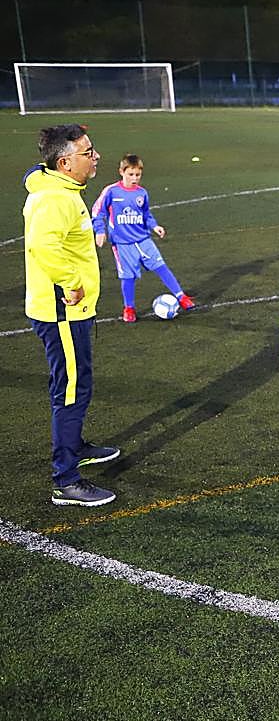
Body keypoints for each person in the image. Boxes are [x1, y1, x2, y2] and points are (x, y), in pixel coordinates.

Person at [24, 124, 120, 506]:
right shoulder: (54, 200)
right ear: (64, 163)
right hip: (61, 310)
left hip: (68, 309)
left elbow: (33, 173)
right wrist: (70, 282)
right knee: (71, 389)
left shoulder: (58, 187)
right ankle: (66, 478)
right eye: (88, 152)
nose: (95, 157)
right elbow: (42, 246)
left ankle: (76, 446)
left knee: (73, 382)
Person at [90, 154, 196, 323]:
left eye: (137, 175)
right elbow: (97, 212)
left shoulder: (141, 193)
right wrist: (100, 230)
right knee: (127, 277)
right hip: (123, 244)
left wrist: (154, 226)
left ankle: (181, 296)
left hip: (143, 239)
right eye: (130, 174)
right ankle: (129, 308)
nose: (134, 178)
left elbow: (146, 214)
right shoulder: (111, 191)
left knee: (161, 266)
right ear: (121, 172)